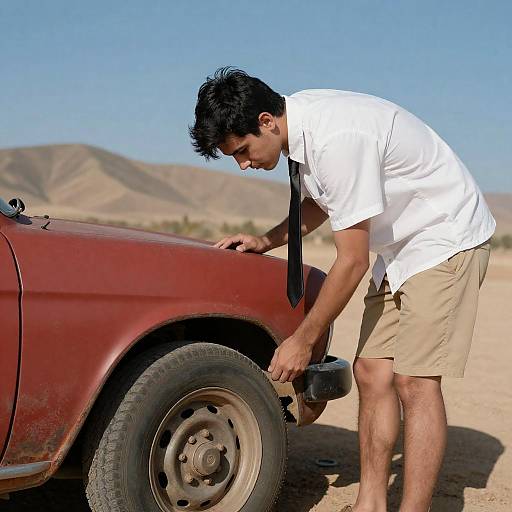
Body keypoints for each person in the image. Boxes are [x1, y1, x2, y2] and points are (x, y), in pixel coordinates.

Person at [189, 67, 495, 512]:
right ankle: (371, 503)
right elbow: (319, 202)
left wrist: (303, 339)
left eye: (242, 150)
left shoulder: (336, 139)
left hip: (445, 238)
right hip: (401, 250)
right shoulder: (299, 129)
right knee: (372, 373)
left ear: (265, 122)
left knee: (415, 382)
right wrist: (267, 240)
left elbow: (351, 262)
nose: (244, 164)